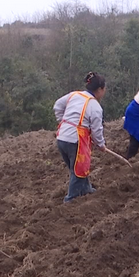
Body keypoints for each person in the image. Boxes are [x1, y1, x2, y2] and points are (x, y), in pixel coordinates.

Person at [53, 71, 107, 203]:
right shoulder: (95, 107)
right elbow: (97, 130)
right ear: (100, 89)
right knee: (77, 171)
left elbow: (57, 106)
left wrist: (63, 121)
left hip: (62, 138)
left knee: (78, 167)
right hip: (75, 141)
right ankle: (70, 200)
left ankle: (86, 188)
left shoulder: (74, 95)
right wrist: (101, 144)